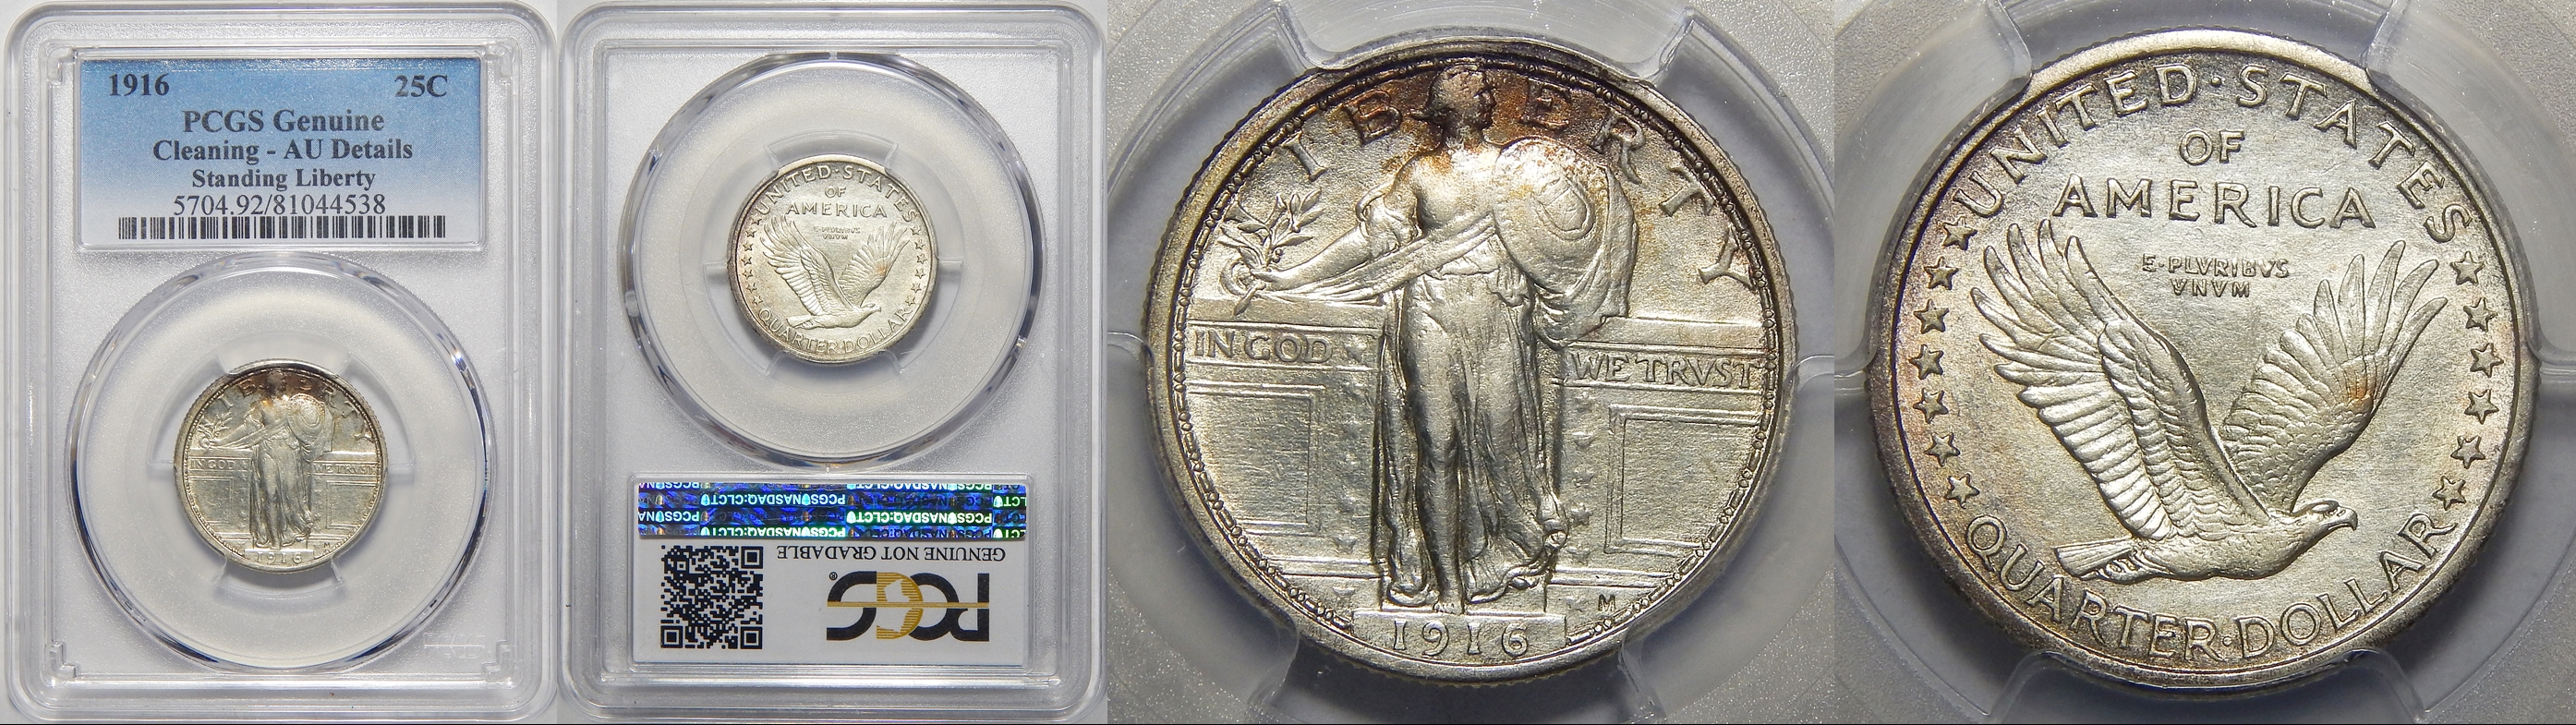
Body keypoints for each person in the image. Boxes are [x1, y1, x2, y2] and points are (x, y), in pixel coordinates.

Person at [1252, 64, 1637, 610]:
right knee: (1437, 445)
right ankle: (1447, 583)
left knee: (1502, 438)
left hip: (1499, 315)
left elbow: (1574, 228)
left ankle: (1498, 554)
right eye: (1475, 89)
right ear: (1448, 103)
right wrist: (1290, 278)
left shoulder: (1516, 170)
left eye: (1486, 89)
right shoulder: (1420, 173)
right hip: (1430, 312)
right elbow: (1368, 242)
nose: (1488, 95)